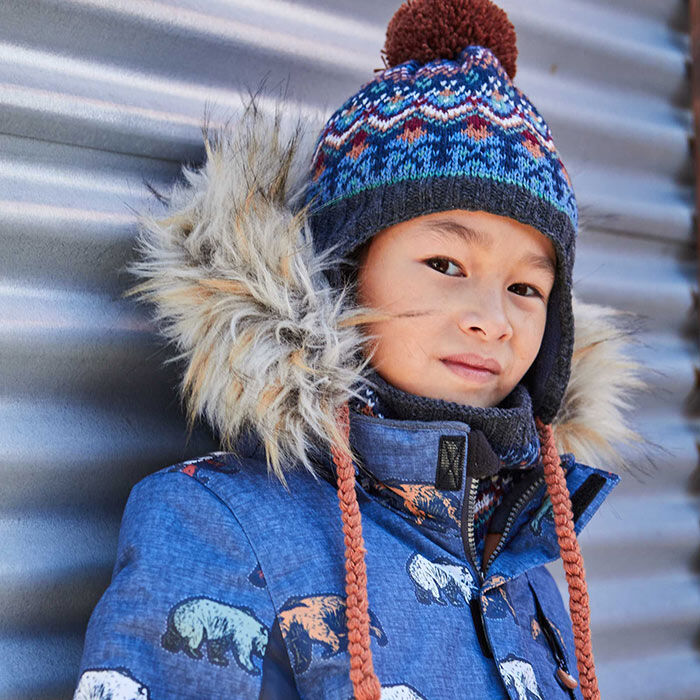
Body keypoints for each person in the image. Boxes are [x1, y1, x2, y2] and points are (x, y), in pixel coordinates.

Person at [73, 1, 645, 698]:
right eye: (445, 264)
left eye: (526, 287)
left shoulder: (515, 554)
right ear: (340, 271)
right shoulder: (219, 527)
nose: (494, 321)